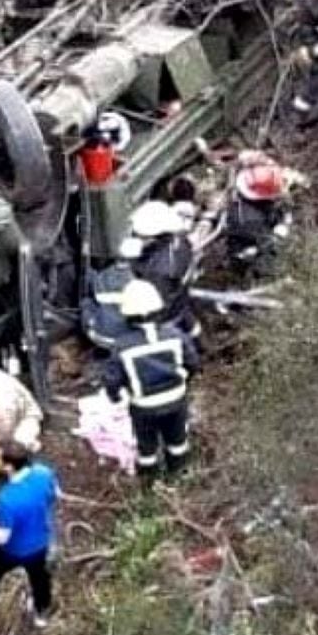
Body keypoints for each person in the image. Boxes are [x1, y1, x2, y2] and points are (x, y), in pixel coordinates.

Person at [103, 279, 201, 480]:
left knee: (146, 450)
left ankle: (150, 486)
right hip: (176, 401)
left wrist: (117, 397)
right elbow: (193, 363)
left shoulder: (121, 346)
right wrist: (181, 380)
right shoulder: (175, 335)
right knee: (178, 442)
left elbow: (112, 381)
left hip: (143, 408)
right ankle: (180, 477)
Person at [0, 442, 60, 628]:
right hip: (40, 543)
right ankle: (41, 614)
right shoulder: (43, 472)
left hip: (10, 550)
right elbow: (55, 494)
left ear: (8, 466)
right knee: (40, 579)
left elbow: (2, 537)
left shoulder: (7, 499)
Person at [225, 152, 306, 278]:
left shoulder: (252, 181)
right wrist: (282, 228)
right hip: (249, 256)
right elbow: (267, 243)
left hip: (257, 231)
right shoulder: (249, 221)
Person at [128, 201, 197, 336]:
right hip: (181, 300)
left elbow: (155, 308)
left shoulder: (159, 271)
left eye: (140, 235)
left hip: (166, 318)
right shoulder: (179, 241)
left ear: (156, 237)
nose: (136, 237)